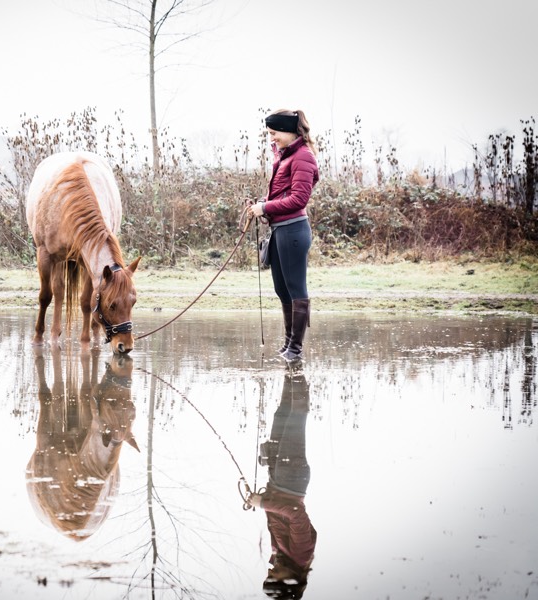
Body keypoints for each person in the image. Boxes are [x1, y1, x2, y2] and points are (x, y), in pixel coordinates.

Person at [247, 109, 320, 362]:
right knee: (281, 289)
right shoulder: (286, 156)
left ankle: (295, 349)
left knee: (296, 288)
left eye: (274, 133)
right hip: (280, 230)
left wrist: (265, 208)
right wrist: (263, 202)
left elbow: (299, 199)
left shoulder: (303, 157)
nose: (272, 138)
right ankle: (289, 343)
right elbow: (282, 194)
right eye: (270, 133)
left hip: (294, 231)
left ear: (289, 131)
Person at [247, 371, 317, 599]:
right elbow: (296, 514)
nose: (270, 570)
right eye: (273, 576)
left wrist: (262, 498)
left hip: (278, 480)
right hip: (293, 479)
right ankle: (297, 366)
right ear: (290, 579)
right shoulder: (301, 553)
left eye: (269, 575)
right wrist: (263, 503)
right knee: (296, 416)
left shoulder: (280, 556)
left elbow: (278, 516)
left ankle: (290, 370)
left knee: (282, 412)